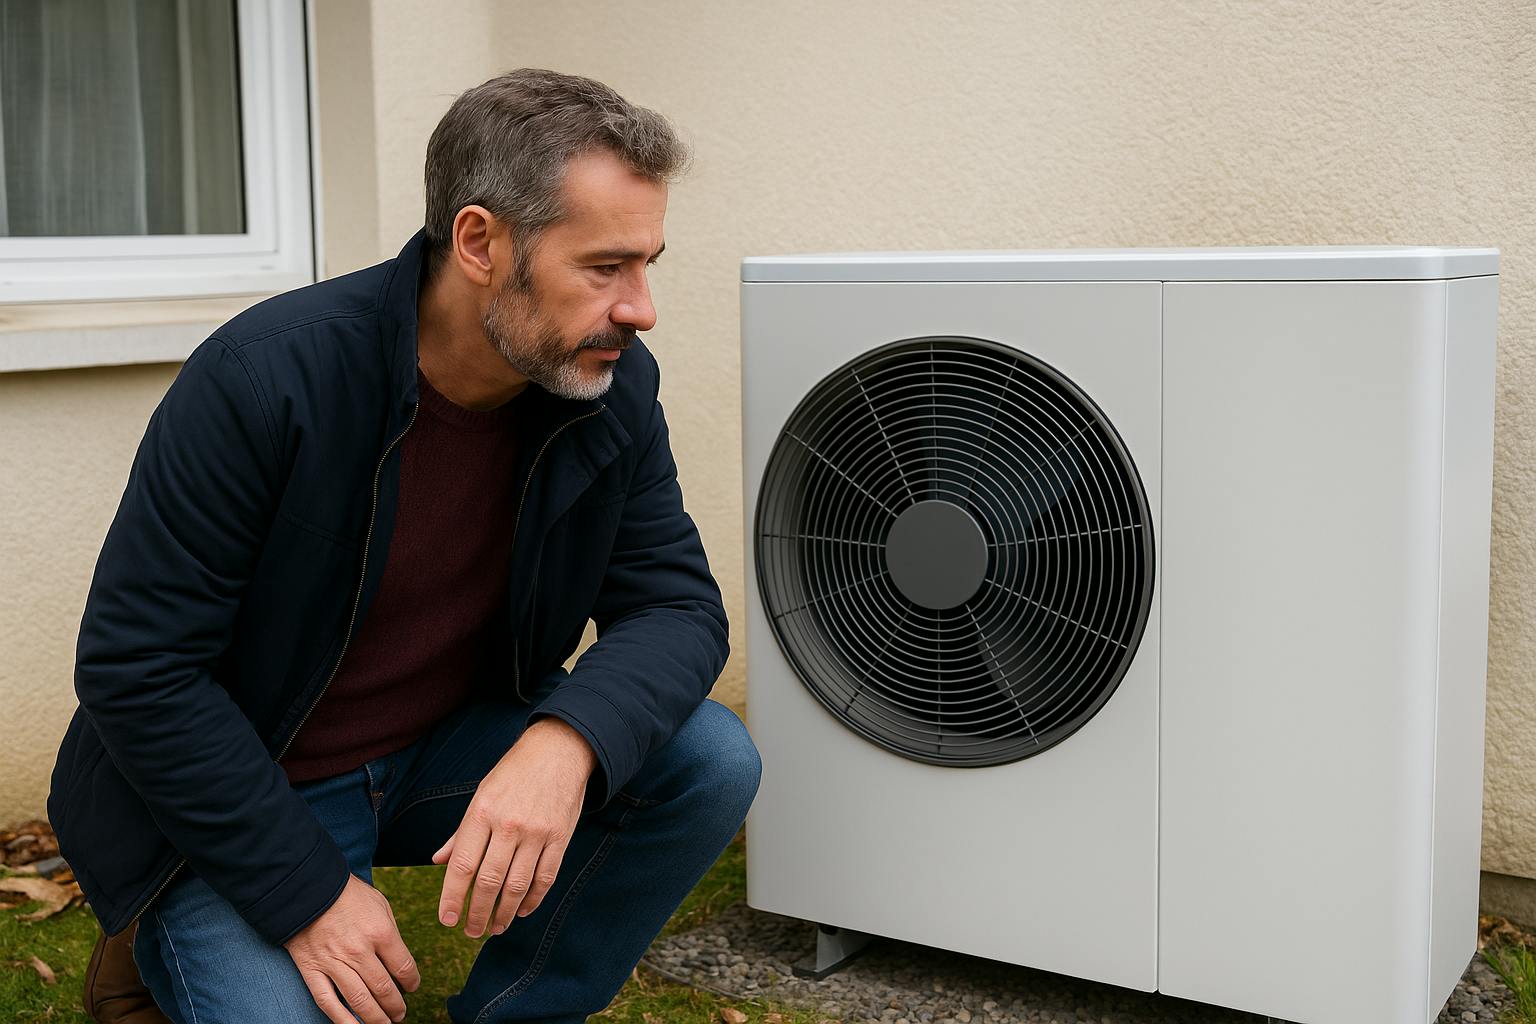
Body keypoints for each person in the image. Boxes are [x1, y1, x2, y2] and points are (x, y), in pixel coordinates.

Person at [48, 68, 761, 1024]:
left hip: (440, 751)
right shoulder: (265, 380)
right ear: (480, 243)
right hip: (256, 783)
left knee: (708, 759)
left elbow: (675, 606)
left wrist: (563, 745)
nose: (641, 308)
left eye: (647, 265)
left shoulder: (608, 387)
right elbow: (138, 669)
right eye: (605, 268)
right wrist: (307, 896)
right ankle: (161, 923)